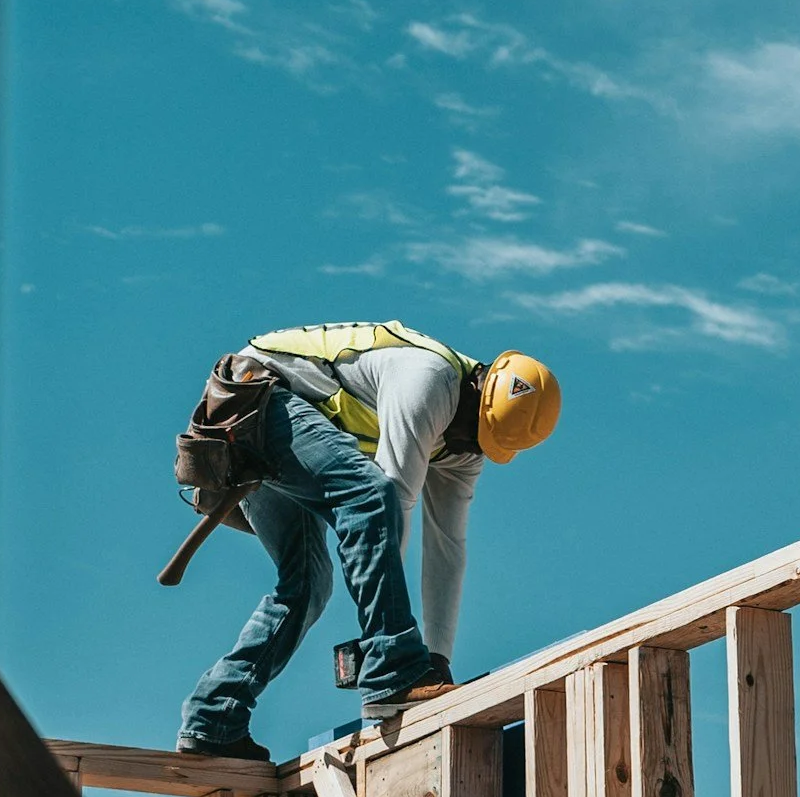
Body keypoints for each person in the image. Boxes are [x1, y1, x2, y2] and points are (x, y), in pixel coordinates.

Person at [176, 320, 559, 760]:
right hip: (253, 400)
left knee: (307, 586)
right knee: (370, 494)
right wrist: (394, 656)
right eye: (470, 432)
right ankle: (392, 666)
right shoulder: (429, 380)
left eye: (480, 443)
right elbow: (389, 501)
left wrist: (437, 659)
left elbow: (446, 550)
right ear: (477, 388)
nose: (464, 447)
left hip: (275, 426)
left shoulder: (463, 447)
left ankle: (214, 717)